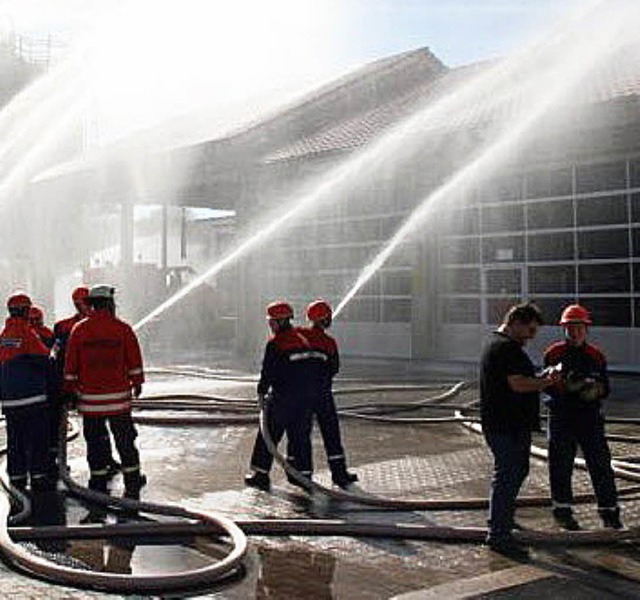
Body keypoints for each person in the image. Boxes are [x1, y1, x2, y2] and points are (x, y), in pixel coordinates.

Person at [480, 301, 558, 555]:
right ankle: (498, 534)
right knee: (508, 474)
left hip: (506, 425)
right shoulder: (506, 349)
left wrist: (541, 377)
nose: (531, 337)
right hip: (506, 426)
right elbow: (518, 384)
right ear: (515, 323)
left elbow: (518, 379)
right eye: (530, 331)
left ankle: (503, 519)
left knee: (515, 471)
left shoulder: (500, 346)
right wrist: (547, 381)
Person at [543, 304, 623, 530]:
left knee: (600, 464)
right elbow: (546, 385)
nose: (575, 332)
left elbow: (606, 387)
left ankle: (609, 511)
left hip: (589, 418)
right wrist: (564, 386)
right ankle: (562, 510)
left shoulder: (596, 355)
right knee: (560, 464)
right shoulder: (553, 353)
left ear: (586, 328)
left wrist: (595, 390)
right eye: (570, 327)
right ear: (564, 329)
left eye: (579, 327)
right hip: (561, 416)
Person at [64, 284, 146, 500]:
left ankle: (98, 482)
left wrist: (70, 391)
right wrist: (137, 383)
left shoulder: (79, 330)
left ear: (91, 304)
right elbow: (134, 361)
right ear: (109, 304)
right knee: (125, 441)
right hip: (118, 401)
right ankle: (133, 480)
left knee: (96, 443)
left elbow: (71, 366)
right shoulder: (123, 329)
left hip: (90, 403)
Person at [244, 301, 320, 492]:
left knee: (267, 435)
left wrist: (261, 391)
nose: (270, 325)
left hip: (283, 399)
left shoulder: (275, 343)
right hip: (306, 399)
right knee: (300, 437)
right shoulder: (303, 339)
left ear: (280, 321)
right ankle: (302, 475)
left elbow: (268, 371)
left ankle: (260, 474)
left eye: (272, 321)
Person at [50, 286, 120, 482]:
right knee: (93, 428)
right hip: (82, 385)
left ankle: (106, 462)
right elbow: (59, 358)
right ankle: (58, 462)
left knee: (100, 427)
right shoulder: (66, 327)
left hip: (93, 385)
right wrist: (65, 386)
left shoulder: (89, 325)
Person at [301, 299, 358, 488]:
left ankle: (303, 474)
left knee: (303, 433)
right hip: (323, 393)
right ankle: (339, 474)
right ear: (324, 319)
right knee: (331, 433)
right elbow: (335, 368)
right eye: (329, 316)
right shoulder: (329, 342)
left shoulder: (300, 337)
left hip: (303, 394)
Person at [0, 293, 52, 492]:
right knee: (38, 439)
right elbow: (44, 360)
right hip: (32, 398)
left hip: (9, 401)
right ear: (26, 311)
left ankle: (17, 477)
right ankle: (38, 477)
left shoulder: (4, 336)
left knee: (15, 441)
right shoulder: (27, 333)